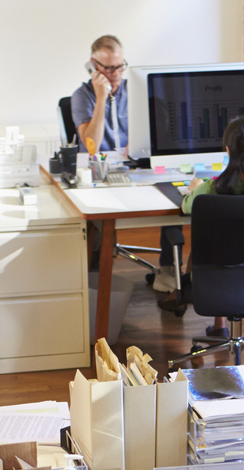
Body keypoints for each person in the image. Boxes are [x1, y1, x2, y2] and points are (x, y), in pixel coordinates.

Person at [67, 34, 182, 291]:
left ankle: (168, 268)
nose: (115, 73)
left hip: (137, 168)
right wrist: (101, 98)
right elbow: (91, 146)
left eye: (119, 66)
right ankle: (94, 280)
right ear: (93, 67)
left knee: (174, 196)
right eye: (107, 68)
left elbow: (160, 130)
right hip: (100, 173)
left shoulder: (137, 90)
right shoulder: (81, 96)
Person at [162, 115, 244, 334]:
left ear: (228, 151)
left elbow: (185, 207)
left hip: (215, 281)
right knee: (232, 249)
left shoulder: (209, 190)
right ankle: (220, 325)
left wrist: (194, 188)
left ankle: (218, 323)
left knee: (214, 247)